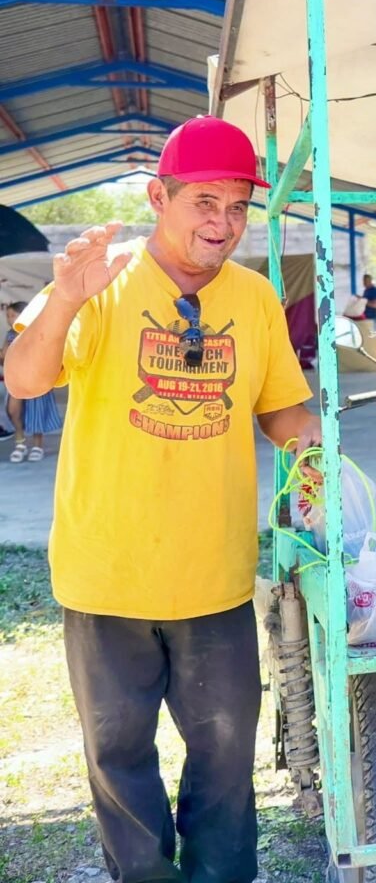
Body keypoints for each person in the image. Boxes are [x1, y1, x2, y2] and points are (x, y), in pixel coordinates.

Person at [5, 116, 322, 883]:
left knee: (223, 757)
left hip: (211, 577)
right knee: (118, 755)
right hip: (105, 574)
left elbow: (280, 405)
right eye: (203, 202)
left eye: (238, 207)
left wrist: (313, 447)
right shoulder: (97, 282)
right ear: (159, 197)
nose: (222, 222)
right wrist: (63, 302)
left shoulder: (252, 298)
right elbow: (24, 380)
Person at [3, 300, 64, 459]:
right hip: (17, 377)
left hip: (37, 376)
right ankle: (20, 442)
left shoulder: (38, 331)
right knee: (13, 411)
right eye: (8, 316)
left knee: (37, 413)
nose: (10, 319)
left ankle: (37, 446)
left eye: (13, 315)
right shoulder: (10, 334)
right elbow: (4, 355)